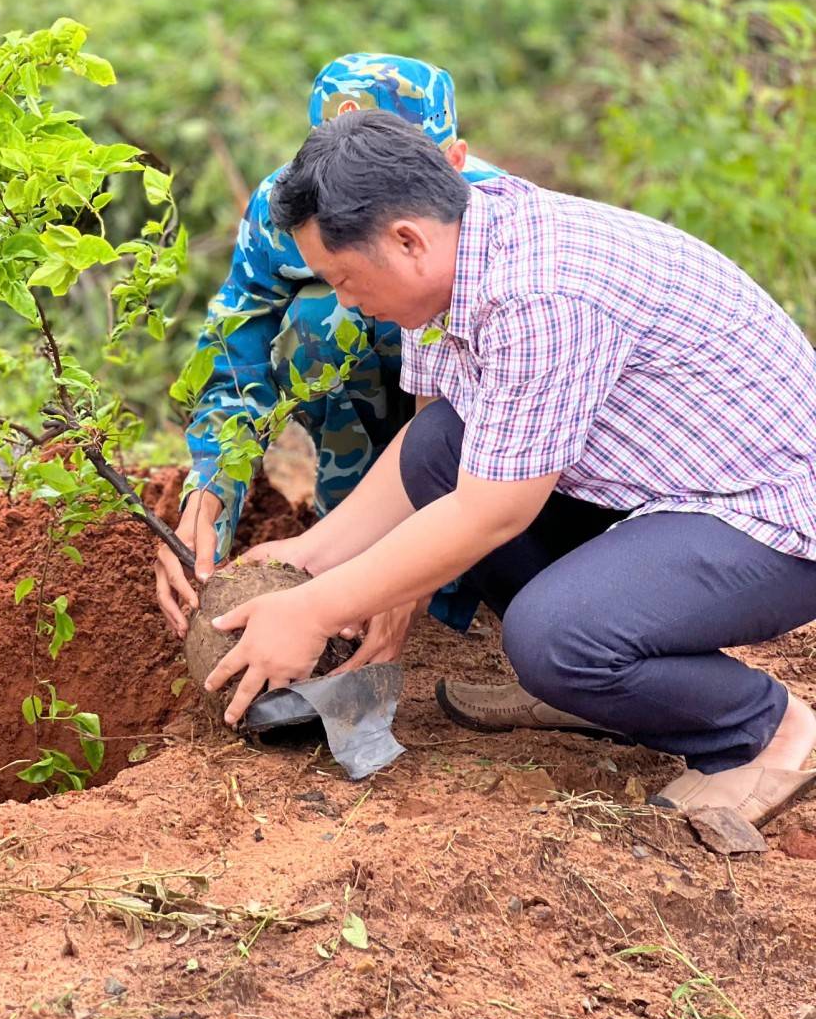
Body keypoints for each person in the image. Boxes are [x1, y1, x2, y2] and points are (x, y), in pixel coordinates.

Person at [204, 111, 816, 828]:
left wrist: (312, 610)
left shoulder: (539, 294)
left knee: (555, 638)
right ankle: (591, 688)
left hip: (767, 517)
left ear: (407, 240)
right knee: (443, 443)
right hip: (664, 486)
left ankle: (761, 729)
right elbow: (436, 442)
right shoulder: (463, 246)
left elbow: (493, 512)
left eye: (342, 276)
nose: (342, 299)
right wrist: (313, 555)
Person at [153, 52, 499, 637]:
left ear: (449, 163)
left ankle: (454, 579)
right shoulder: (282, 210)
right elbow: (238, 351)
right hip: (361, 404)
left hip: (479, 448)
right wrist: (213, 488)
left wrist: (420, 565)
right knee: (323, 322)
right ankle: (341, 537)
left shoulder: (497, 218)